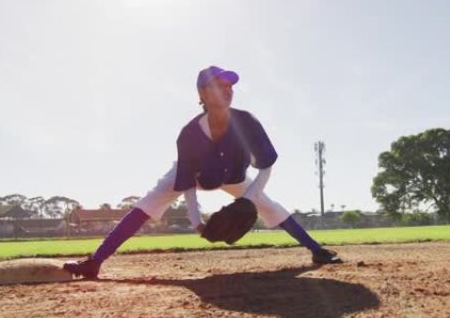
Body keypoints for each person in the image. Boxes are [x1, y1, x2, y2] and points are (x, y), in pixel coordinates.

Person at [64, 66, 342, 279]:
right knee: (146, 205)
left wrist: (249, 198)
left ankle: (317, 250)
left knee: (269, 205)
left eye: (229, 85)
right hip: (195, 176)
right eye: (218, 85)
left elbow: (266, 164)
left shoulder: (247, 122)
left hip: (232, 176)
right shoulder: (189, 134)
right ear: (202, 94)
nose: (227, 89)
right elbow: (186, 182)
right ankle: (94, 263)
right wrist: (197, 221)